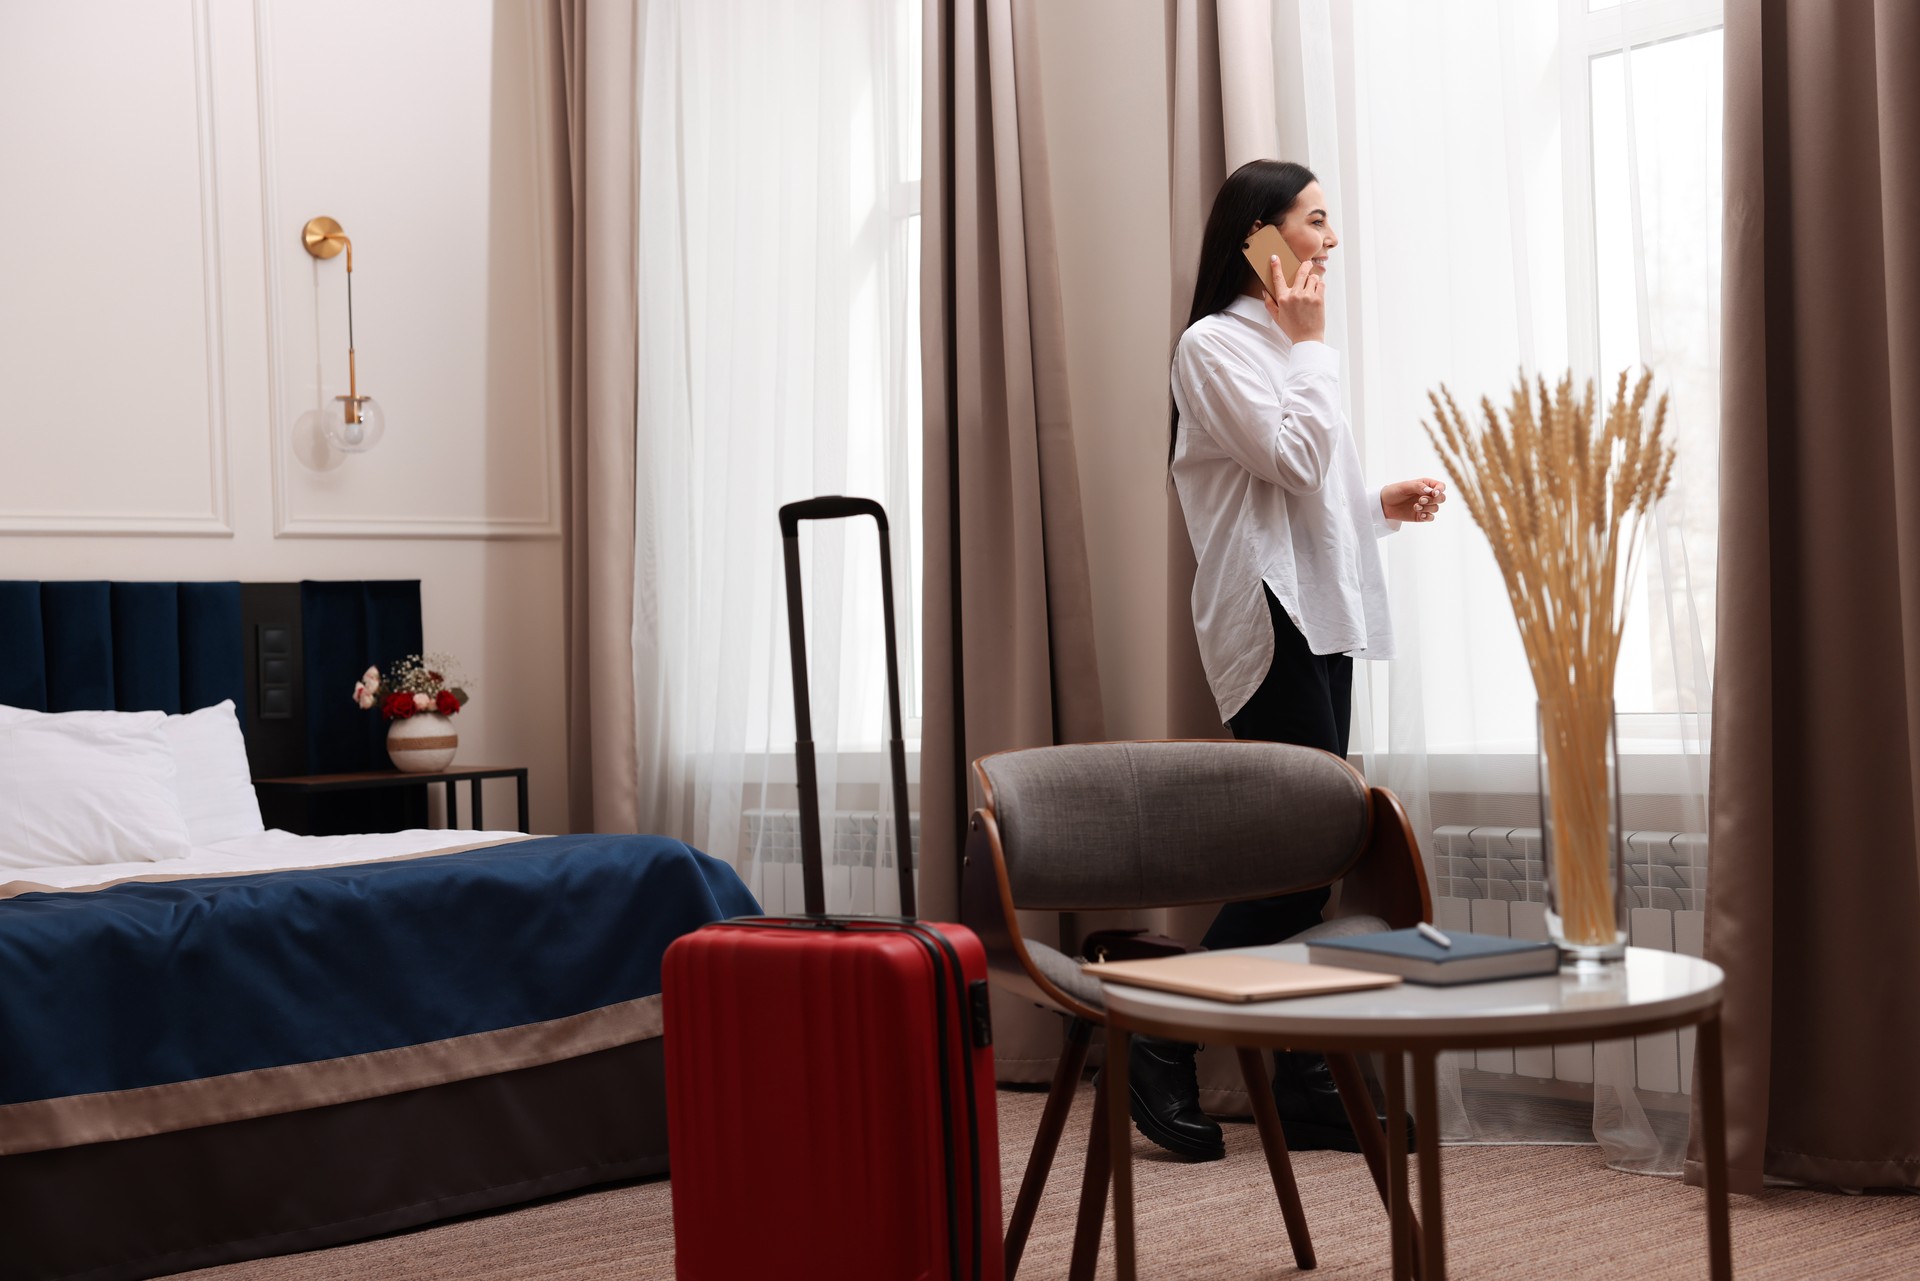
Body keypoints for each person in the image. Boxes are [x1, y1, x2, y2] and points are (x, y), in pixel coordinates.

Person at [1135, 158, 1446, 1161]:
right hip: (1267, 624)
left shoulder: (1283, 347)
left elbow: (1299, 497)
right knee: (1306, 855)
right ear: (1259, 236)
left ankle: (1304, 1080)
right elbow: (1292, 458)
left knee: (1314, 855)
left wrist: (1376, 510)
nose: (1330, 241)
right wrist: (1313, 351)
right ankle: (1162, 1034)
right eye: (1315, 221)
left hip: (1320, 615)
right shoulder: (1215, 346)